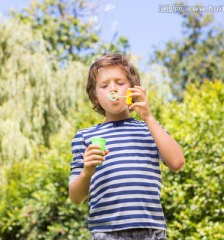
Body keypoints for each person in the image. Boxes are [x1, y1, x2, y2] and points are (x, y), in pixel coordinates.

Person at [68, 53, 185, 240]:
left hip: (150, 231)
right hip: (106, 233)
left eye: (120, 83)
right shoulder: (85, 137)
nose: (113, 89)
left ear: (132, 90)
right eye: (104, 86)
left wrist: (148, 116)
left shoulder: (150, 129)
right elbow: (76, 197)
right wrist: (87, 171)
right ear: (96, 97)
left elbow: (177, 162)